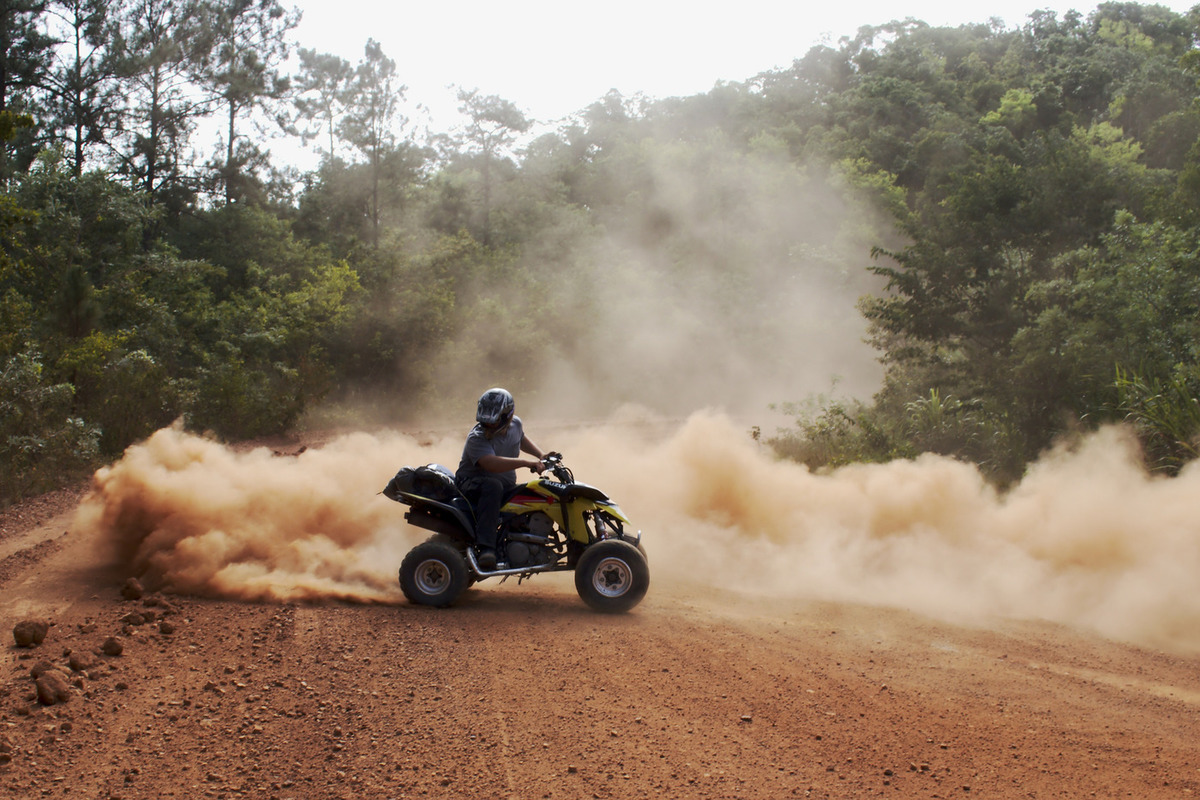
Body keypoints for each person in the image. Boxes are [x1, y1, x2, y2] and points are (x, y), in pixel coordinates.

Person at [455, 387, 546, 570]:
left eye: (493, 422)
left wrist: (541, 455)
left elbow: (520, 439)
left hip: (503, 484)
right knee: (493, 486)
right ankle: (486, 549)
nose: (488, 426)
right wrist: (525, 463)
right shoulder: (477, 438)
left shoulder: (516, 424)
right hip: (470, 485)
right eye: (485, 422)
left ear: (507, 416)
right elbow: (491, 464)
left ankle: (522, 540)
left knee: (535, 490)